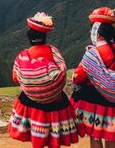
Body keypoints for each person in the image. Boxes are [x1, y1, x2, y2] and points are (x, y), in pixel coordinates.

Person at [9, 12, 82, 148]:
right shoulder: (54, 52)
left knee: (37, 138)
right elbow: (62, 71)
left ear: (29, 38)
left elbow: (15, 78)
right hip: (56, 102)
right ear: (45, 37)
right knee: (54, 138)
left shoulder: (22, 56)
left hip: (31, 104)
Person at [71, 7, 115, 148]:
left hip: (95, 100)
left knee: (95, 135)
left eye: (92, 30)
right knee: (110, 136)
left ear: (98, 34)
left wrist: (75, 77)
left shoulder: (94, 53)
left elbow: (79, 76)